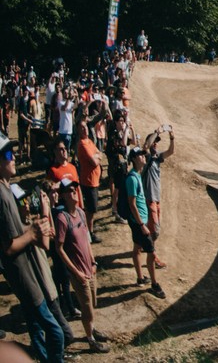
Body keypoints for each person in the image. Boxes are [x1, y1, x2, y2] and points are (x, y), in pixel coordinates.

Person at [0, 134, 66, 363]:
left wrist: (32, 227)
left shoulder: (6, 189)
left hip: (28, 274)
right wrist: (31, 233)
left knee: (37, 327)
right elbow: (7, 248)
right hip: (23, 276)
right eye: (8, 154)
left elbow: (14, 232)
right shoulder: (0, 194)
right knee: (57, 334)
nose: (13, 158)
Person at [53, 179, 110, 354]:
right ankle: (91, 340)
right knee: (86, 309)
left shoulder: (80, 212)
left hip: (90, 269)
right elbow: (59, 248)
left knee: (93, 304)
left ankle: (92, 330)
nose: (74, 192)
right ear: (63, 195)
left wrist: (93, 262)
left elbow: (87, 239)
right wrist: (75, 272)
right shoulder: (63, 219)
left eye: (75, 189)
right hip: (79, 273)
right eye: (70, 190)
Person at [124, 148, 166, 299]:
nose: (143, 156)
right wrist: (142, 225)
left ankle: (140, 278)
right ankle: (154, 284)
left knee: (137, 248)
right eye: (140, 155)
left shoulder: (137, 175)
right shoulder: (132, 179)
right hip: (139, 222)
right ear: (134, 158)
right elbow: (132, 203)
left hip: (139, 220)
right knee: (150, 251)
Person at [141, 126, 176, 270]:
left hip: (156, 198)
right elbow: (146, 146)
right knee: (154, 231)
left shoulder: (156, 158)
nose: (156, 144)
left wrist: (172, 137)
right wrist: (156, 132)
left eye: (157, 142)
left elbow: (171, 151)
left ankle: (147, 247)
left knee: (153, 230)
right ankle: (153, 257)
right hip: (149, 199)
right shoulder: (146, 157)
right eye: (155, 142)